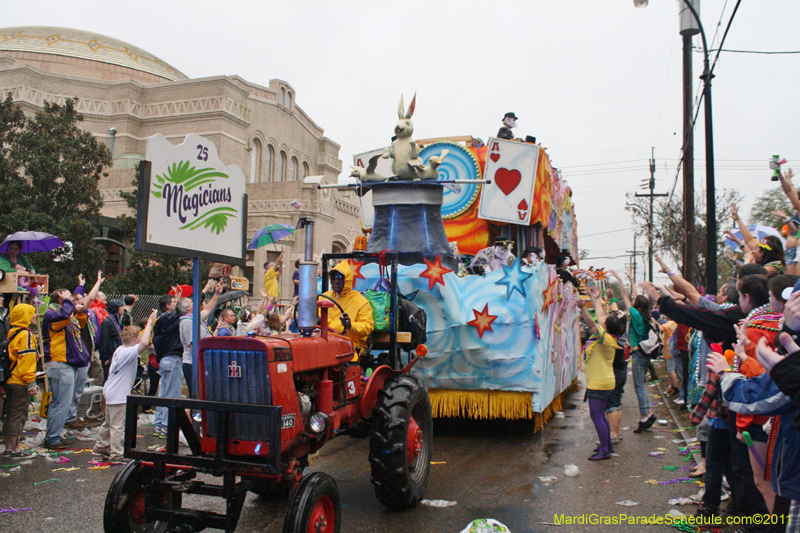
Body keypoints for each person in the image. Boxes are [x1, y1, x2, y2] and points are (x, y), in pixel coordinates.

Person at [93, 309, 156, 465]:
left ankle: (100, 448)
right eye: (139, 336)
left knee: (109, 423)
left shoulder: (120, 350)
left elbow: (145, 345)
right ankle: (116, 455)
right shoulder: (128, 352)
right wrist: (149, 322)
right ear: (134, 339)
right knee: (117, 426)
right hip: (118, 395)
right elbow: (144, 344)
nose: (142, 339)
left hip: (112, 391)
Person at [577, 285, 623, 460]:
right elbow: (601, 316)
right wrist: (595, 298)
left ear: (606, 326)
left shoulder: (605, 338)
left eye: (603, 320)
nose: (601, 319)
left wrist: (583, 308)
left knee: (596, 416)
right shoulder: (609, 336)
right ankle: (607, 445)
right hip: (601, 381)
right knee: (600, 415)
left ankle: (604, 449)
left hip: (600, 383)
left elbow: (590, 324)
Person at [42, 288, 91, 449]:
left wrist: (80, 311)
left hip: (67, 362)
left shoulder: (67, 314)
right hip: (59, 362)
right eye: (69, 296)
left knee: (63, 401)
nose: (73, 299)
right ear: (60, 299)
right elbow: (63, 318)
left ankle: (54, 434)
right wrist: (69, 304)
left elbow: (81, 324)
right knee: (61, 402)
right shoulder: (52, 313)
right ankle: (52, 438)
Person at [2, 303, 38, 458]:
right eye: (32, 314)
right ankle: (16, 449)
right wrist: (31, 383)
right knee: (19, 414)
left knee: (10, 414)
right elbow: (27, 360)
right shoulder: (26, 334)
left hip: (10, 379)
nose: (34, 316)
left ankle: (8, 447)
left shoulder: (12, 332)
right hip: (20, 381)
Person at [321, 261, 374, 361]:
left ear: (347, 280)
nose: (336, 281)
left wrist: (350, 326)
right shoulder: (323, 298)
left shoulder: (361, 302)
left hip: (350, 344)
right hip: (325, 343)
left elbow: (367, 327)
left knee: (341, 360)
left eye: (340, 277)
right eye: (334, 277)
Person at [178, 280, 221, 397]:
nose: (195, 303)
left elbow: (208, 310)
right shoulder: (186, 321)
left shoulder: (194, 318)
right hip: (193, 363)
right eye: (191, 302)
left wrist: (217, 294)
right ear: (187, 308)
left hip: (200, 361)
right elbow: (193, 346)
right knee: (197, 394)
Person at [152, 294, 182, 439]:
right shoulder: (169, 318)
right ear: (168, 306)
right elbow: (182, 312)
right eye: (175, 302)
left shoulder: (161, 320)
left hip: (164, 359)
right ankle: (167, 426)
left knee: (163, 393)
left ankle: (159, 424)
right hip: (172, 359)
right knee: (172, 394)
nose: (178, 304)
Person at [98, 300, 124, 382]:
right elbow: (104, 340)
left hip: (117, 356)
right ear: (116, 308)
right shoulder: (107, 322)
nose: (123, 309)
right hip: (110, 357)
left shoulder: (118, 321)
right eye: (121, 306)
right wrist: (105, 359)